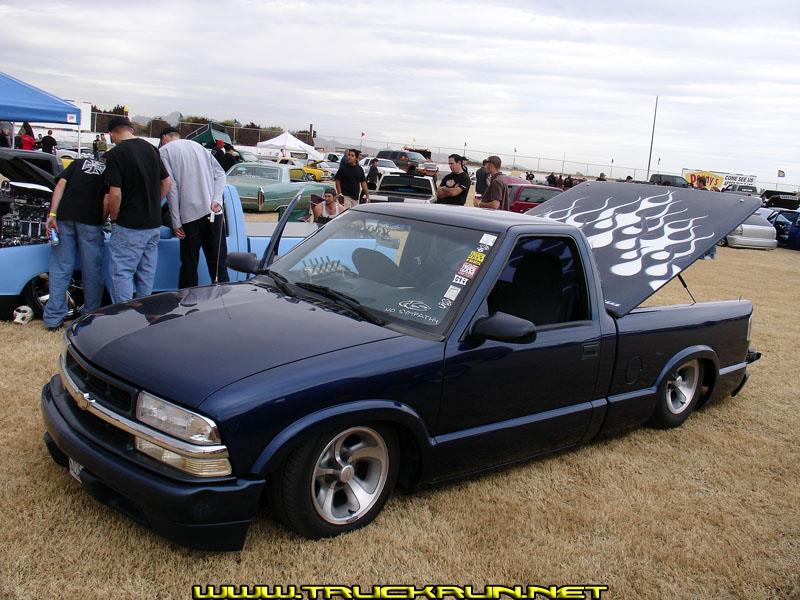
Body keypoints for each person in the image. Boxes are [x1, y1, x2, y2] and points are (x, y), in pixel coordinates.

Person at [103, 116, 171, 303]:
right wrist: (153, 202)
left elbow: (115, 193)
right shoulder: (151, 149)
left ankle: (124, 315)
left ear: (112, 134)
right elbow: (167, 182)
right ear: (131, 130)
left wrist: (114, 218)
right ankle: (143, 313)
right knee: (146, 273)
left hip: (128, 224)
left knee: (122, 273)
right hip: (153, 224)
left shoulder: (116, 153)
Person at [43, 155, 108, 330]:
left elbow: (60, 185)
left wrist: (52, 214)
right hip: (91, 220)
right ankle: (89, 316)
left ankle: (53, 318)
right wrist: (102, 221)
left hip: (65, 217)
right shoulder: (109, 170)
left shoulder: (77, 163)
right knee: (92, 271)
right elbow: (107, 199)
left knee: (60, 267)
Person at [159, 127, 229, 288]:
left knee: (189, 264)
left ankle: (188, 300)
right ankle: (224, 297)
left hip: (190, 215)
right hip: (214, 213)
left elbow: (171, 188)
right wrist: (217, 199)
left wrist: (176, 222)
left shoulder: (164, 152)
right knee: (218, 264)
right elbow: (220, 174)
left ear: (164, 138)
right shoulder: (198, 147)